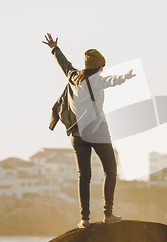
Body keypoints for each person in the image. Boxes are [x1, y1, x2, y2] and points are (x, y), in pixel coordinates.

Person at [43, 33, 136, 228]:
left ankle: (84, 219)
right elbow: (110, 80)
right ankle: (107, 214)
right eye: (102, 66)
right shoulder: (97, 80)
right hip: (97, 132)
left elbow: (64, 64)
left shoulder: (74, 76)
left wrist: (54, 48)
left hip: (77, 134)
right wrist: (124, 78)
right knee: (110, 171)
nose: (103, 69)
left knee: (83, 175)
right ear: (99, 66)